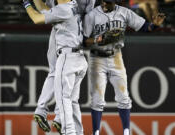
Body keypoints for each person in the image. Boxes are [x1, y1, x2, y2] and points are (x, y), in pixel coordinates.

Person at [83, 0, 165, 135]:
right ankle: (95, 132)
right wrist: (99, 39)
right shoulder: (91, 15)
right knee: (97, 99)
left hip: (116, 57)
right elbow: (84, 41)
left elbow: (145, 27)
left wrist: (154, 26)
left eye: (108, 2)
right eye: (103, 1)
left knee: (124, 98)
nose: (104, 4)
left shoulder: (124, 12)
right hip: (97, 58)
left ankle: (126, 131)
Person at [23, 0, 89, 135]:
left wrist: (26, 4)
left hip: (67, 58)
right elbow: (46, 10)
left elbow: (36, 19)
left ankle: (68, 132)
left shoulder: (63, 10)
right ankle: (78, 132)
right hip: (80, 58)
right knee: (73, 101)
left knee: (63, 99)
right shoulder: (74, 6)